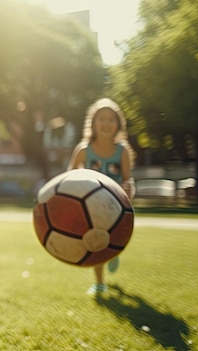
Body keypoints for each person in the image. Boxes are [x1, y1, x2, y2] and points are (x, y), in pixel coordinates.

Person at [67, 97, 136, 296]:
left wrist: (128, 188)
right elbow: (68, 177)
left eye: (111, 119)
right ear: (93, 123)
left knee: (113, 241)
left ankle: (114, 252)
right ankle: (99, 283)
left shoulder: (122, 152)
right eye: (101, 119)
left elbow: (128, 179)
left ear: (118, 125)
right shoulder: (83, 150)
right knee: (96, 243)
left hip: (116, 205)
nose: (106, 123)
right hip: (91, 206)